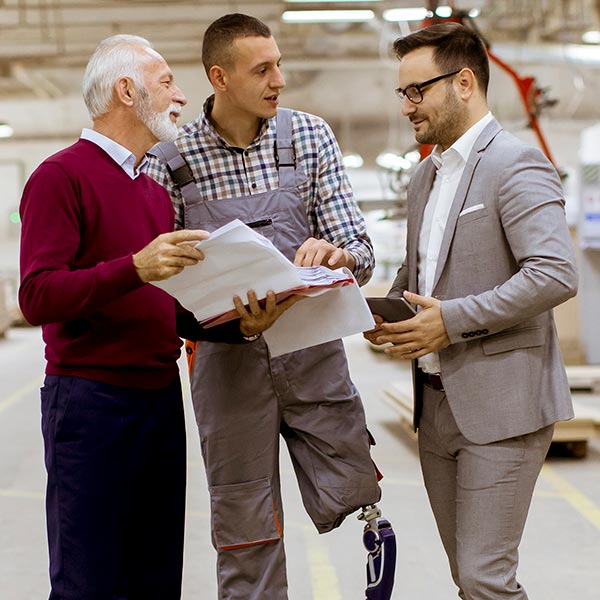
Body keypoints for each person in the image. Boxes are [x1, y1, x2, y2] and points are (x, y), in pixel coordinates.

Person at [18, 34, 278, 600]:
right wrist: (134, 267)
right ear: (127, 90)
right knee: (90, 581)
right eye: (166, 82)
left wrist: (239, 326)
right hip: (90, 405)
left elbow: (167, 308)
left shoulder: (152, 192)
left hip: (158, 401)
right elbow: (38, 295)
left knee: (156, 576)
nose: (181, 96)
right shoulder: (59, 177)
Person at [146, 13, 381, 600]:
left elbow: (363, 252)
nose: (280, 79)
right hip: (226, 366)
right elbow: (158, 288)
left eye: (279, 64)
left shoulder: (309, 136)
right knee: (244, 524)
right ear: (219, 77)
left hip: (312, 351)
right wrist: (227, 326)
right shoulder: (170, 158)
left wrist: (338, 255)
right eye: (264, 70)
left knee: (355, 492)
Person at [365, 22, 578, 599]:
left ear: (464, 82)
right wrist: (363, 307)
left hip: (501, 406)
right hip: (435, 410)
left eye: (417, 90)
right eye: (401, 92)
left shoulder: (515, 164)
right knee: (468, 577)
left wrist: (450, 320)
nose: (407, 105)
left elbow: (555, 273)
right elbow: (418, 281)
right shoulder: (424, 178)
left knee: (485, 579)